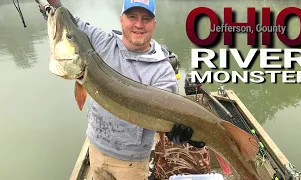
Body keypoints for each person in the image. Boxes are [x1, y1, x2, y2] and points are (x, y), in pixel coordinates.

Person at [36, 0, 205, 179]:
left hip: (131, 163)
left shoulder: (162, 71)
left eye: (146, 19)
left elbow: (168, 115)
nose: (139, 24)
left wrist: (177, 132)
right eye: (132, 17)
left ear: (153, 24)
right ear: (121, 19)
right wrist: (50, 4)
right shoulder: (101, 41)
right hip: (96, 150)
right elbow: (69, 22)